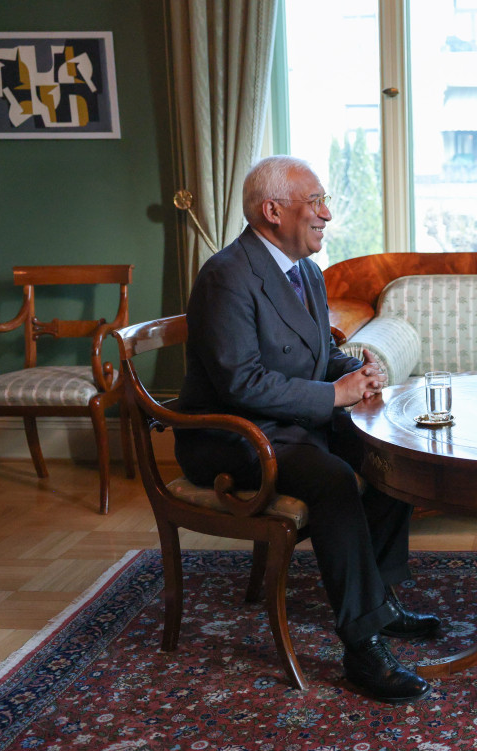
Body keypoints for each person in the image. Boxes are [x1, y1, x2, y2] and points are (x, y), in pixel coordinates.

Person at [175, 155, 440, 704]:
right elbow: (240, 384)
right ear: (272, 211)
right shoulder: (226, 275)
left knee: (396, 454)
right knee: (334, 480)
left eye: (324, 202)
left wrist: (357, 372)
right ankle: (362, 648)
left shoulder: (307, 272)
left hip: (291, 421)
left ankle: (380, 598)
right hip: (236, 434)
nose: (326, 214)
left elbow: (318, 354)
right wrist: (333, 396)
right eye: (315, 202)